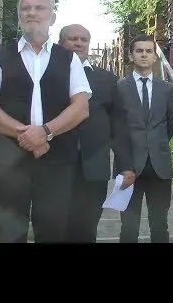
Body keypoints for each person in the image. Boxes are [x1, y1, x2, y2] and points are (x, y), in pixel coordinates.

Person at [0, 0, 92, 243]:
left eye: (39, 8)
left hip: (56, 161)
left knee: (53, 229)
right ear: (19, 16)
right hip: (9, 161)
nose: (31, 13)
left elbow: (81, 107)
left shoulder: (69, 59)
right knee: (7, 231)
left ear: (52, 16)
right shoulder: (1, 57)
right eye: (25, 9)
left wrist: (46, 132)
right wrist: (28, 135)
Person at [111, 34, 173, 243]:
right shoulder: (119, 87)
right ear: (131, 55)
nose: (144, 55)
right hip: (128, 166)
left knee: (160, 224)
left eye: (149, 51)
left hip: (159, 165)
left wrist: (155, 146)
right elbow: (116, 129)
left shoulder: (167, 89)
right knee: (129, 225)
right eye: (139, 51)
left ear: (155, 57)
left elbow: (170, 124)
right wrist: (124, 163)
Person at [59, 24, 118, 243]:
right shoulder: (47, 76)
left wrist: (125, 163)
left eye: (84, 39)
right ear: (60, 43)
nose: (79, 43)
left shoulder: (108, 80)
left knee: (87, 228)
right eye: (72, 39)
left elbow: (117, 125)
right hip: (56, 165)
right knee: (56, 227)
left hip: (94, 167)